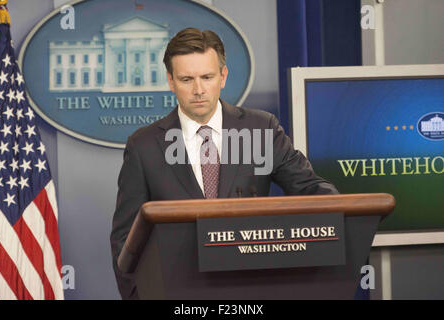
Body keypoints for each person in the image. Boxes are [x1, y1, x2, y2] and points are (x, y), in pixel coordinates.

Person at [110, 27, 338, 299]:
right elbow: (125, 243)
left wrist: (345, 215)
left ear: (223, 76)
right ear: (171, 81)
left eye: (207, 77)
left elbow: (310, 189)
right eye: (186, 79)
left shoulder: (260, 129)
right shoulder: (144, 146)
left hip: (252, 294)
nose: (198, 90)